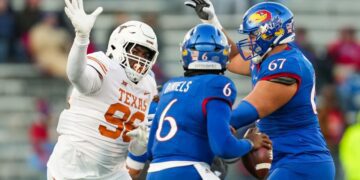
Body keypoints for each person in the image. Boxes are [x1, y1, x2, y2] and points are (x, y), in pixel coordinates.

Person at [186, 0, 335, 179]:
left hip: (301, 160)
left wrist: (198, 123)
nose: (249, 40)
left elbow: (249, 110)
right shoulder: (268, 58)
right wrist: (212, 22)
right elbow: (232, 58)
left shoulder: (287, 64)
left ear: (273, 33)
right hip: (286, 159)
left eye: (254, 35)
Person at [125, 23, 272, 179]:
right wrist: (249, 143)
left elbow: (152, 150)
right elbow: (223, 148)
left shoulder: (169, 87)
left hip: (155, 173)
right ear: (223, 54)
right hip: (190, 171)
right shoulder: (218, 85)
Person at [46, 0, 159, 179]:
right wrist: (81, 38)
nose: (141, 60)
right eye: (136, 51)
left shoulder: (149, 86)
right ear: (118, 45)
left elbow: (135, 146)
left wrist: (140, 145)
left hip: (112, 171)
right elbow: (77, 77)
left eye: (146, 55)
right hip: (72, 166)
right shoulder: (105, 65)